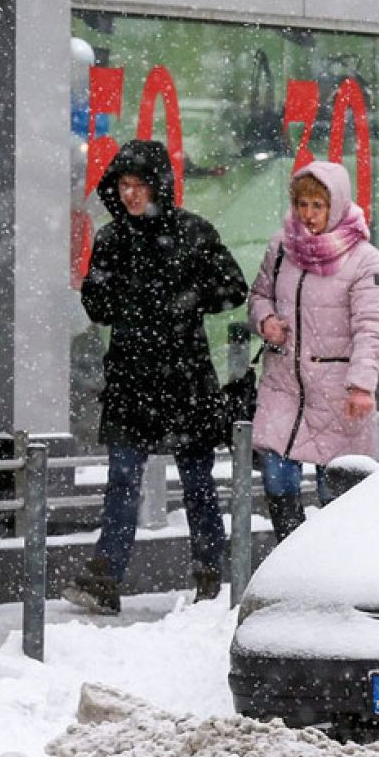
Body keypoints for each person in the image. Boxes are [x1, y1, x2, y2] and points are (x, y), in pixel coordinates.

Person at [65, 139, 248, 614]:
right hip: (131, 378)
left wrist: (189, 297)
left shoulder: (194, 233)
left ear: (158, 186)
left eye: (138, 185)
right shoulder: (111, 240)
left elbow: (234, 287)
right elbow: (98, 307)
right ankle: (106, 575)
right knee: (123, 478)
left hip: (185, 378)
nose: (129, 195)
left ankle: (210, 577)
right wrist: (108, 289)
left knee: (198, 483)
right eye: (123, 185)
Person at [249, 161, 379, 541]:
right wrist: (265, 321)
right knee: (278, 478)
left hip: (336, 389)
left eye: (317, 205)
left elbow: (371, 328)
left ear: (336, 204)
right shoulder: (281, 247)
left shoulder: (364, 259)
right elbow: (259, 295)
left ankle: (331, 567)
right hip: (284, 384)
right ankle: (289, 557)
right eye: (302, 205)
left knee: (337, 491)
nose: (308, 215)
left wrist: (361, 384)